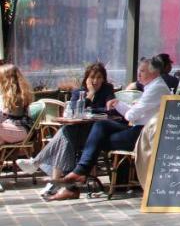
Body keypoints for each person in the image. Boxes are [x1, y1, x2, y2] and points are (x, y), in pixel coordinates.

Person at [62, 57, 170, 189]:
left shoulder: (156, 88)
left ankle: (80, 171)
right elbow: (133, 114)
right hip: (139, 128)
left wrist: (125, 107)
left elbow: (131, 115)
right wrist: (118, 104)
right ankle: (80, 171)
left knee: (95, 140)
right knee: (100, 126)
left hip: (145, 134)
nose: (138, 74)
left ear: (153, 73)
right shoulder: (152, 86)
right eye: (138, 70)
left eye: (142, 71)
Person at [20, 62, 115, 201]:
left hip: (95, 135)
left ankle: (37, 164)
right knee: (66, 134)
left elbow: (109, 110)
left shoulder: (107, 90)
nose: (95, 81)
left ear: (103, 79)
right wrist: (90, 95)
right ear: (86, 78)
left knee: (65, 133)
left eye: (99, 77)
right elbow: (75, 112)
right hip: (78, 132)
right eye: (92, 77)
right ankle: (53, 182)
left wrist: (93, 107)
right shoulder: (78, 92)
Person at [0, 63, 34, 145]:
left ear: (6, 81)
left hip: (21, 130)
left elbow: (2, 116)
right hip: (13, 130)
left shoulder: (16, 97)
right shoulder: (9, 96)